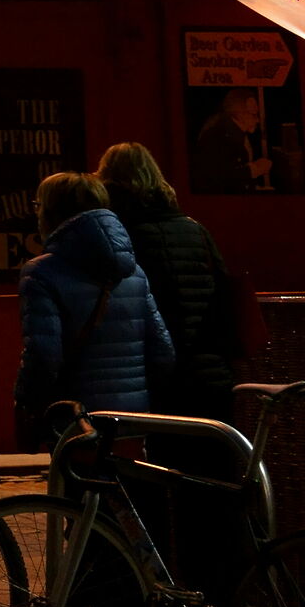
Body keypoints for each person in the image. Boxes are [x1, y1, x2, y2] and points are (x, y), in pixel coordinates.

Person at [15, 172, 174, 436]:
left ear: (53, 212)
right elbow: (163, 352)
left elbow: (44, 356)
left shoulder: (42, 272)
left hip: (77, 417)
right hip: (134, 416)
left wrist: (26, 400)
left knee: (79, 477)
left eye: (38, 206)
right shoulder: (133, 272)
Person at [96, 144, 236, 420]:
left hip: (156, 376)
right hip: (210, 372)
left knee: (163, 459)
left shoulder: (119, 237)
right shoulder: (195, 229)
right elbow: (224, 293)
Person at [191, 88, 273, 193]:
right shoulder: (217, 137)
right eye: (254, 115)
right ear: (239, 114)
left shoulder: (237, 133)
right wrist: (253, 170)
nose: (257, 120)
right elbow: (216, 177)